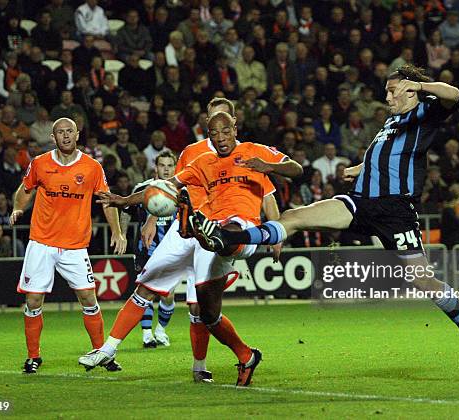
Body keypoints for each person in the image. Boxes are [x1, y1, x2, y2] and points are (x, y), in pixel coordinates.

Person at [194, 64, 459, 375]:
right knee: (294, 217)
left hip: (395, 213)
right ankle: (229, 238)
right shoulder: (390, 124)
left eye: (391, 90)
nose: (386, 97)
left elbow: (454, 94)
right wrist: (359, 169)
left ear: (409, 89)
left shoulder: (425, 113)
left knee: (423, 281)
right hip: (359, 202)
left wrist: (419, 86)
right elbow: (384, 156)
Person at [80, 105, 298, 386]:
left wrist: (275, 228)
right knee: (204, 312)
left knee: (225, 241)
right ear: (207, 126)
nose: (220, 135)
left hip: (234, 227)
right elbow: (165, 187)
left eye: (225, 128)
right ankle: (245, 355)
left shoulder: (255, 152)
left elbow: (288, 175)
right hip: (192, 228)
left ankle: (200, 365)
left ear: (235, 126)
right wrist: (126, 201)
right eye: (214, 129)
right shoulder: (198, 159)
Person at [9, 117, 127, 374]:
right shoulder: (40, 163)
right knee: (33, 300)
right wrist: (18, 207)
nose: (65, 136)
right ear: (53, 138)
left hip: (75, 245)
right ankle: (33, 357)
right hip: (41, 243)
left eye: (69, 131)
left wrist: (117, 232)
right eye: (60, 132)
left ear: (77, 135)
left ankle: (102, 354)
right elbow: (26, 188)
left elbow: (106, 200)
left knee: (88, 297)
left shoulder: (92, 167)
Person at [120, 151, 178, 348]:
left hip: (172, 251)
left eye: (170, 165)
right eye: (163, 165)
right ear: (156, 167)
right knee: (145, 291)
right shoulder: (143, 188)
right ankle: (147, 334)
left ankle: (161, 330)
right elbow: (126, 211)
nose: (167, 169)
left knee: (168, 294)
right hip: (147, 249)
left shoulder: (182, 191)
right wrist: (121, 234)